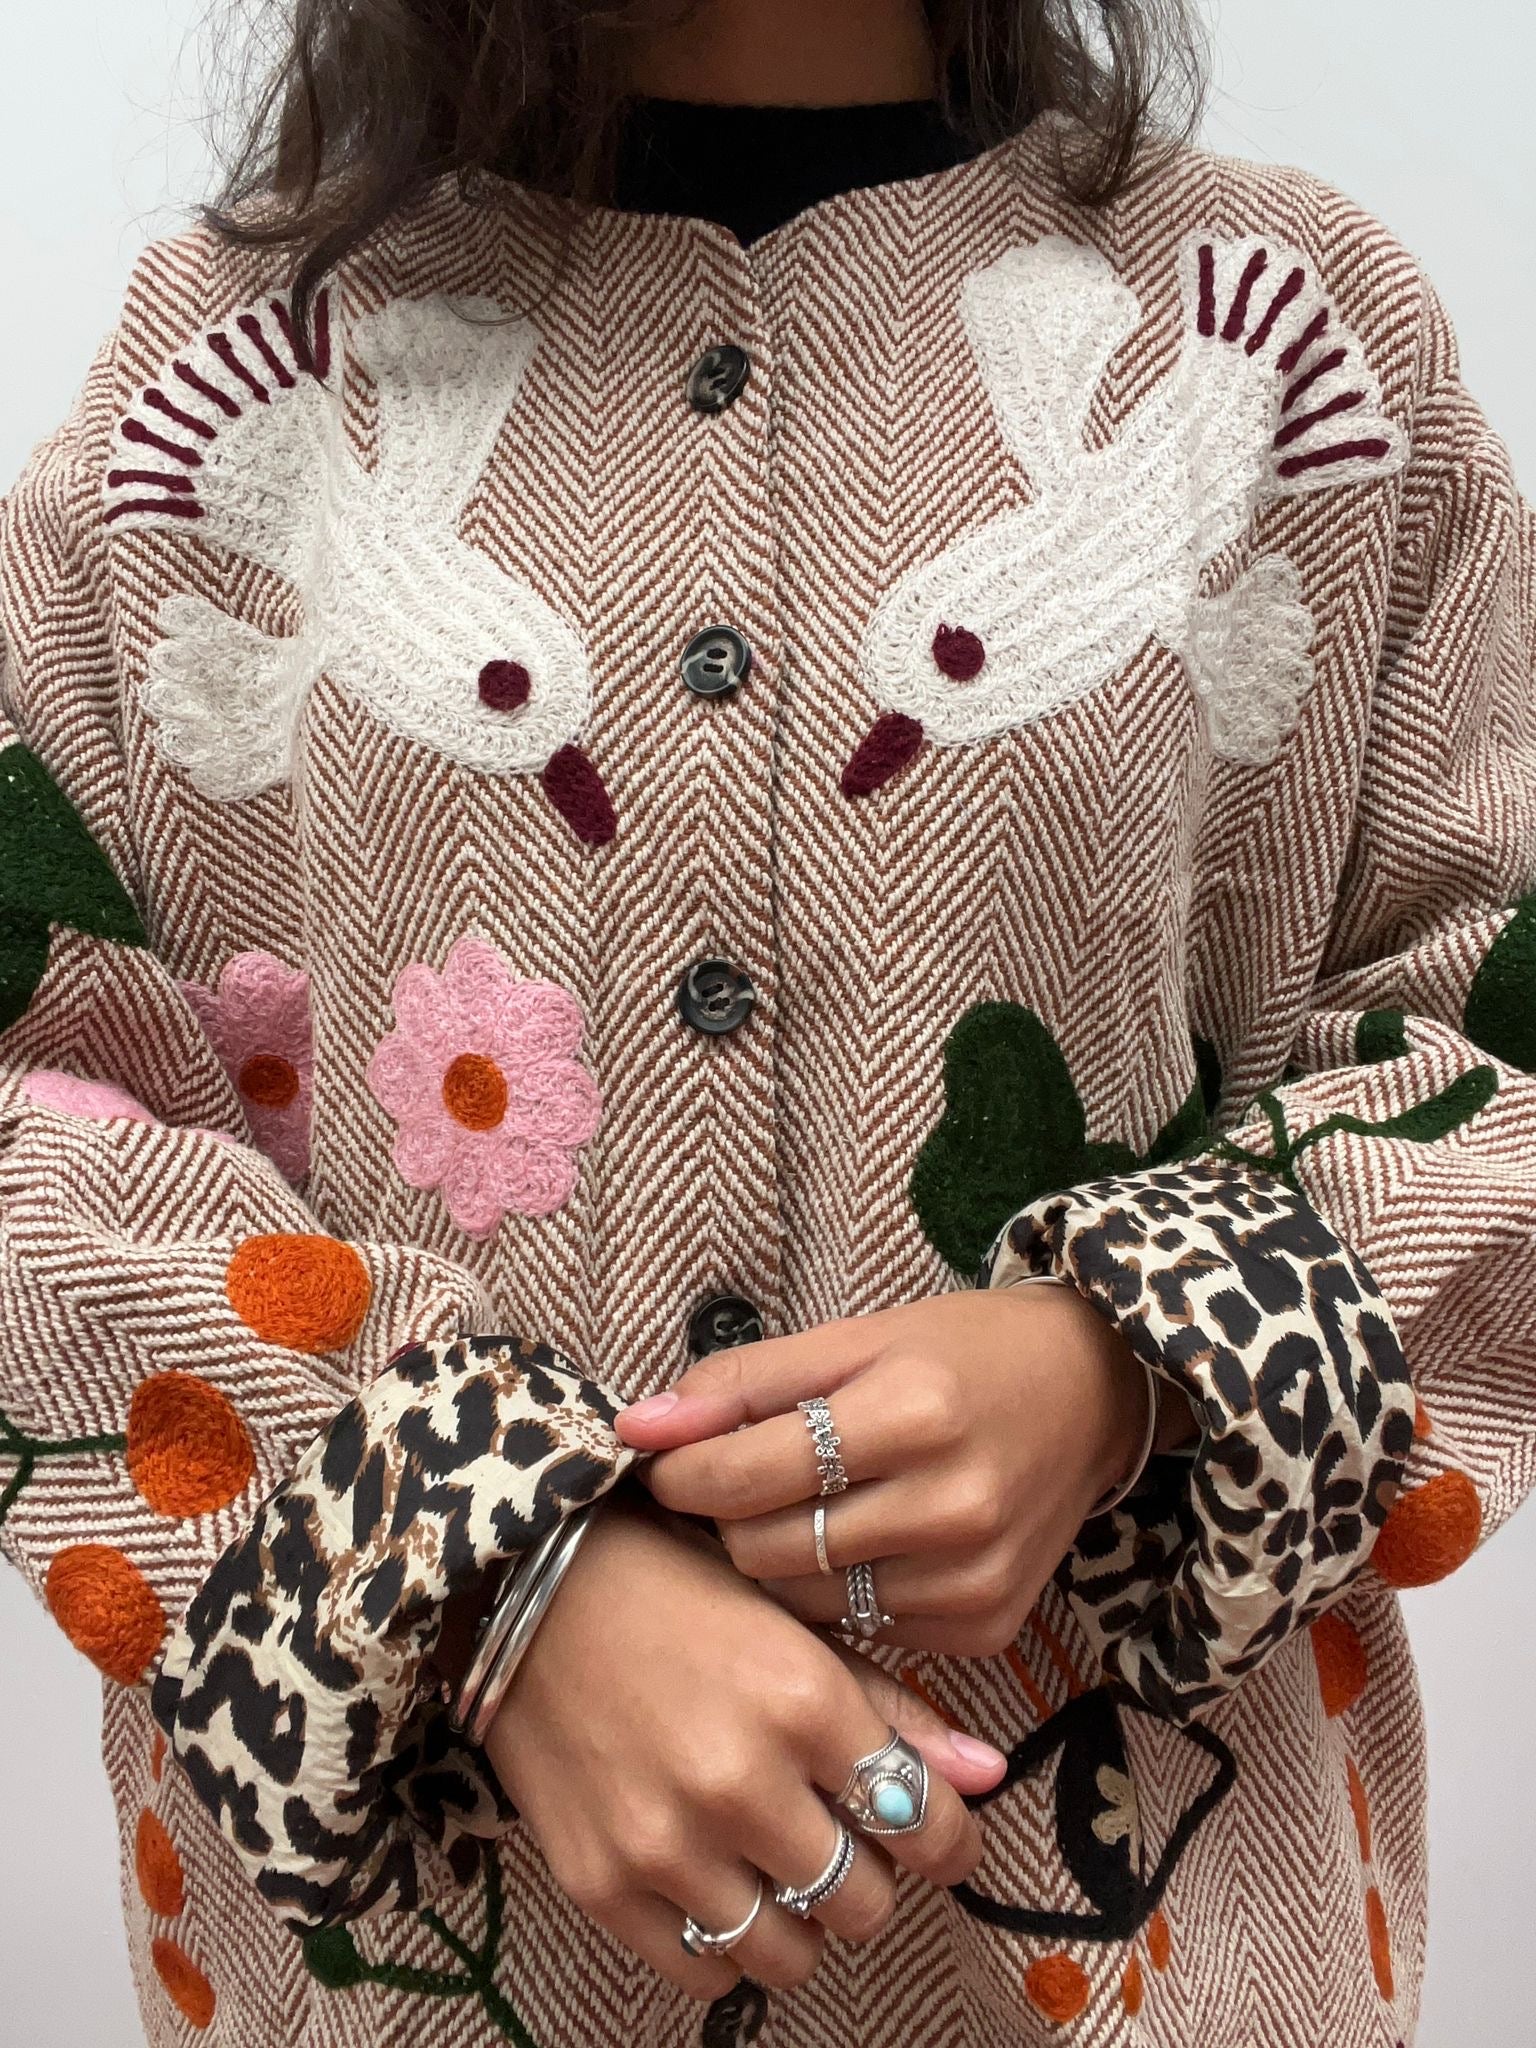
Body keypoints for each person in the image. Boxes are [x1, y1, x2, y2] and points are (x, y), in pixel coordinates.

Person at [0, 0, 1531, 2040]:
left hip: (1155, 1974)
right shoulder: (230, 369)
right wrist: (465, 1559)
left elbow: (1496, 1023)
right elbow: (34, 1105)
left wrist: (1132, 1360)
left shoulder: (1287, 340)